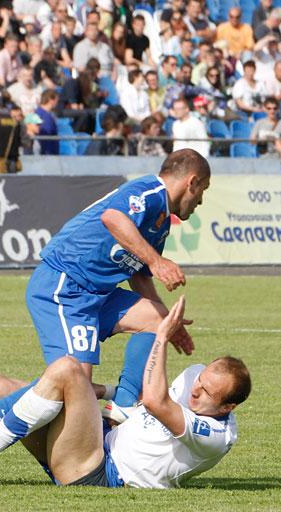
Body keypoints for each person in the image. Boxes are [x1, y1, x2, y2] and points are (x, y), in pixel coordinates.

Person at [0, 297, 251, 490]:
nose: (196, 389)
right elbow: (148, 403)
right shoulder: (196, 379)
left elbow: (158, 403)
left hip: (98, 472)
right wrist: (97, 394)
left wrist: (160, 335)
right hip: (96, 436)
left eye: (207, 393)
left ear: (227, 407)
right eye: (200, 380)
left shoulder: (216, 436)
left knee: (68, 368)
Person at [22, 150, 209, 414]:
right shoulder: (150, 191)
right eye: (204, 190)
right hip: (66, 286)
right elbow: (113, 218)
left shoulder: (162, 221)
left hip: (97, 295)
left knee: (156, 320)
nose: (201, 201)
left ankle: (122, 406)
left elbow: (139, 274)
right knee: (75, 387)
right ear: (192, 182)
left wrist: (168, 324)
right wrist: (157, 262)